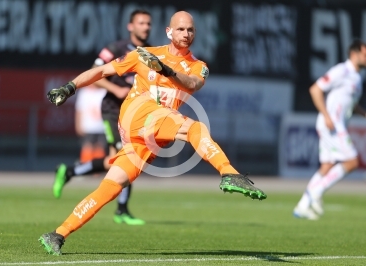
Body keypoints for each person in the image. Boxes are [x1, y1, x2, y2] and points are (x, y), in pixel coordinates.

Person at [39, 11, 267, 255]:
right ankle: (229, 173)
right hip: (138, 117)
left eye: (190, 30)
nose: (186, 33)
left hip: (151, 136)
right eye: (180, 29)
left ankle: (57, 234)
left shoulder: (199, 67)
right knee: (195, 127)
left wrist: (165, 70)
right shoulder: (144, 55)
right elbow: (102, 71)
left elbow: (191, 84)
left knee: (111, 186)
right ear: (169, 32)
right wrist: (70, 87)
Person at [52, 9, 151, 226]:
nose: (146, 27)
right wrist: (116, 91)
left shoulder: (150, 53)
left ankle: (70, 171)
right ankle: (122, 210)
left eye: (148, 23)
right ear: (130, 26)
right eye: (141, 23)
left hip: (134, 113)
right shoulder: (116, 49)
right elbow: (95, 74)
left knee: (115, 161)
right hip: (113, 110)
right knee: (126, 157)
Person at [293, 39, 366, 220]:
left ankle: (302, 206)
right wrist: (326, 115)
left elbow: (350, 102)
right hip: (332, 123)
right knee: (352, 162)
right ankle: (316, 192)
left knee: (326, 166)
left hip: (336, 123)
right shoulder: (342, 70)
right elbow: (315, 89)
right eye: (365, 54)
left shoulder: (357, 77)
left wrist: (363, 114)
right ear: (354, 54)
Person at [74, 85, 107, 163]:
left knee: (100, 148)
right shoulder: (84, 92)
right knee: (87, 147)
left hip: (101, 127)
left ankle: (97, 169)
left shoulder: (104, 92)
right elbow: (79, 110)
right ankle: (85, 166)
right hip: (88, 127)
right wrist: (78, 125)